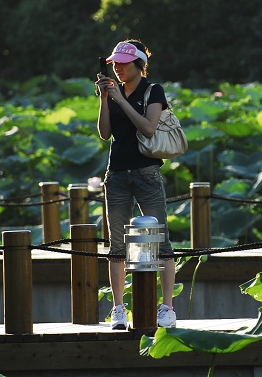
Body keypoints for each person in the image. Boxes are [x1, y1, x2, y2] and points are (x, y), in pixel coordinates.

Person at [95, 39, 177, 330]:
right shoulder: (113, 92)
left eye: (123, 63)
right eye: (114, 63)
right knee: (116, 245)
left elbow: (148, 127)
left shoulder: (152, 91)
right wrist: (105, 100)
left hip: (146, 172)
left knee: (162, 242)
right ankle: (118, 308)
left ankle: (167, 307)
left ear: (139, 64)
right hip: (116, 173)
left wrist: (119, 99)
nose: (117, 68)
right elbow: (105, 133)